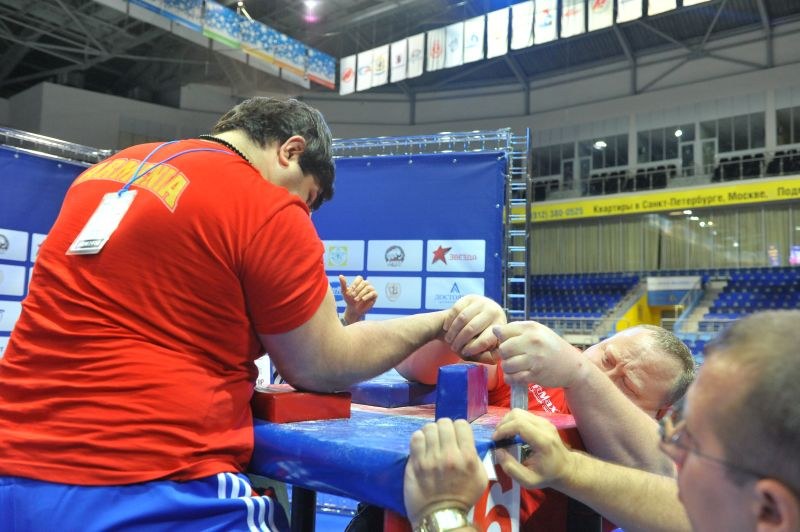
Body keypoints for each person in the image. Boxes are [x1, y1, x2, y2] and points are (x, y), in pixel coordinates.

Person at [0, 97, 489, 531]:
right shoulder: (266, 206)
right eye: (309, 198)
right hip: (153, 483)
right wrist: (439, 320)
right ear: (291, 151)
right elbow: (321, 365)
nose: (306, 214)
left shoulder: (104, 174)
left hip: (13, 470)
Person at [406, 310, 800, 532]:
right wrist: (460, 325)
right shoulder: (541, 371)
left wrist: (442, 513)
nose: (675, 450)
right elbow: (422, 368)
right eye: (606, 359)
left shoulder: (631, 437)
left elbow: (657, 470)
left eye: (691, 444)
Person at [398, 296, 694, 529]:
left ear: (661, 412)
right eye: (606, 357)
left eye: (628, 384)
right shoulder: (547, 361)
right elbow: (414, 366)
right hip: (418, 509)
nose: (605, 375)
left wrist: (580, 373)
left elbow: (660, 475)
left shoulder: (657, 449)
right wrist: (465, 329)